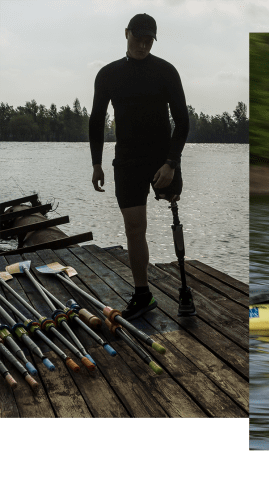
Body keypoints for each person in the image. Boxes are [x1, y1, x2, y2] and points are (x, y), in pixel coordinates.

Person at [89, 13, 189, 319]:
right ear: (126, 33)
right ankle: (143, 294)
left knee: (173, 210)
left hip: (162, 160)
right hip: (128, 161)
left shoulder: (166, 72)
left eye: (149, 40)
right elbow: (95, 121)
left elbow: (183, 122)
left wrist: (171, 163)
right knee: (134, 227)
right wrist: (96, 164)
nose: (143, 45)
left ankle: (186, 286)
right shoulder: (108, 74)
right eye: (138, 38)